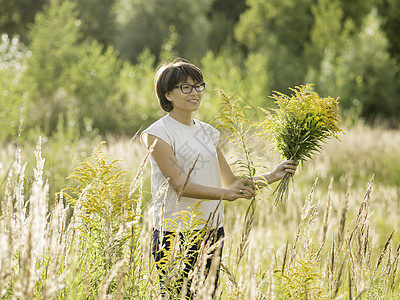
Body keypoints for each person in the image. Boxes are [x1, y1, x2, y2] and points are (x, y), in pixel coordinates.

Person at [140, 59, 297, 298]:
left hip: (212, 231)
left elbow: (231, 182)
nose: (194, 92)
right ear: (167, 95)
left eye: (198, 86)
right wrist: (225, 195)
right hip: (174, 233)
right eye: (185, 87)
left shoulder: (207, 132)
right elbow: (179, 185)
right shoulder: (157, 133)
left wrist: (273, 175)